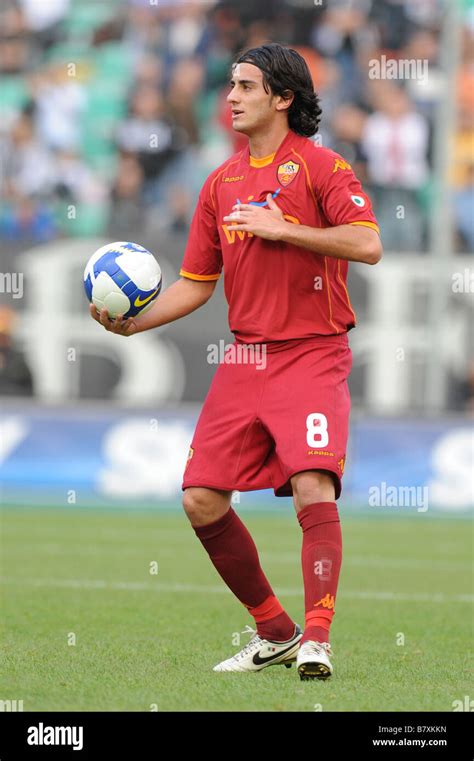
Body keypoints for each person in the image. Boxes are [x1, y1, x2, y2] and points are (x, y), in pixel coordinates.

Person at [90, 43, 382, 680]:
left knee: (312, 484)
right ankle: (274, 628)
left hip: (312, 353)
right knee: (200, 499)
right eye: (231, 85)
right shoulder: (220, 184)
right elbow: (197, 282)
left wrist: (288, 230)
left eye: (246, 86)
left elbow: (368, 243)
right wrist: (132, 323)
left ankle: (317, 639)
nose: (231, 96)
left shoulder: (322, 167)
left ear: (282, 98)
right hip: (245, 358)